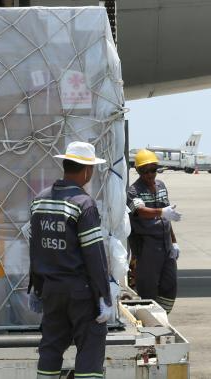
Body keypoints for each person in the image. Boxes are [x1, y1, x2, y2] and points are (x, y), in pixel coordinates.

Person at [28, 141, 113, 379]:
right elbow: (94, 255)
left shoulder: (40, 200)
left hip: (51, 290)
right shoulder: (83, 204)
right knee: (90, 346)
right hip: (80, 293)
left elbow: (35, 249)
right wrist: (104, 296)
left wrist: (36, 287)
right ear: (87, 170)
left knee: (51, 346)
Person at [127, 149, 181, 314]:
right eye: (145, 170)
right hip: (147, 248)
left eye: (153, 169)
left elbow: (167, 216)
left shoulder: (161, 186)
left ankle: (162, 317)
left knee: (170, 286)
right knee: (148, 289)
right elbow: (140, 211)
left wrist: (174, 242)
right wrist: (161, 212)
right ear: (138, 171)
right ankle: (150, 321)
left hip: (166, 245)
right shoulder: (133, 191)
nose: (150, 174)